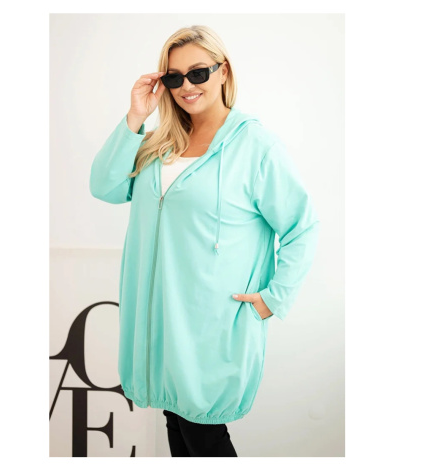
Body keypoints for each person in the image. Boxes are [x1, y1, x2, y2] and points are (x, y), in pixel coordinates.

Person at [89, 25, 320, 457]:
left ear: (223, 71)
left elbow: (301, 226)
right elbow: (104, 186)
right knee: (177, 423)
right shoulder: (160, 144)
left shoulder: (256, 146)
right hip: (158, 321)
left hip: (211, 324)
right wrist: (136, 117)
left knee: (204, 434)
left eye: (198, 73)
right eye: (174, 77)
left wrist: (274, 297)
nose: (186, 86)